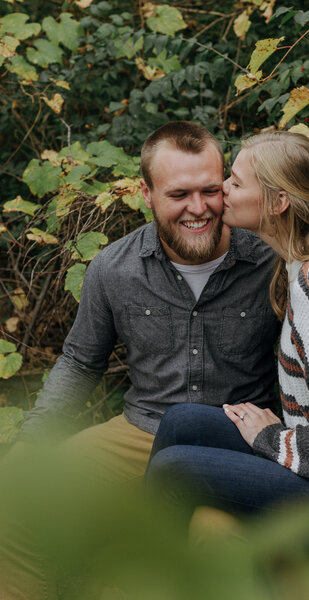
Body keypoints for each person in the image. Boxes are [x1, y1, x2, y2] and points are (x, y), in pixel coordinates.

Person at [1, 122, 279, 599]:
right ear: (146, 194)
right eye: (179, 194)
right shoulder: (114, 267)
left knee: (211, 548)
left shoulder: (272, 261)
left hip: (239, 436)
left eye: (210, 190)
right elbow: (80, 362)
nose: (198, 208)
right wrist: (33, 441)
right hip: (143, 430)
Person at [146, 130, 309, 561]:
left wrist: (274, 440)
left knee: (177, 470)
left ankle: (152, 580)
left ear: (278, 202)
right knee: (182, 421)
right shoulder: (302, 263)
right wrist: (282, 436)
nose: (222, 189)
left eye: (237, 183)